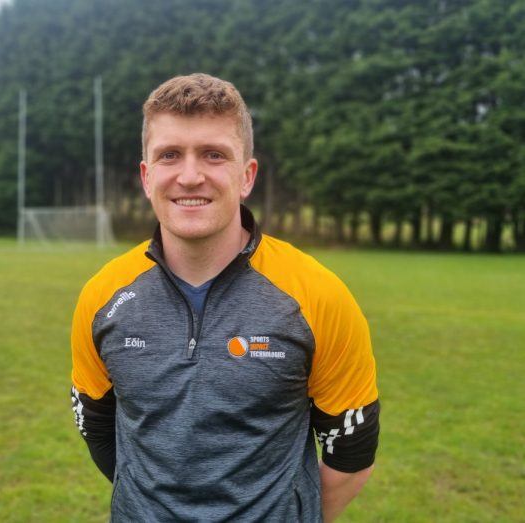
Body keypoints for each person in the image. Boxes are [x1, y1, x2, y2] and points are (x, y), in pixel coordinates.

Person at [70, 73, 380, 522]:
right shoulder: (102, 296)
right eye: (169, 155)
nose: (190, 176)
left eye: (214, 155)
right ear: (146, 175)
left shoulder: (318, 295)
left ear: (246, 175)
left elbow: (351, 453)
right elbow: (98, 428)